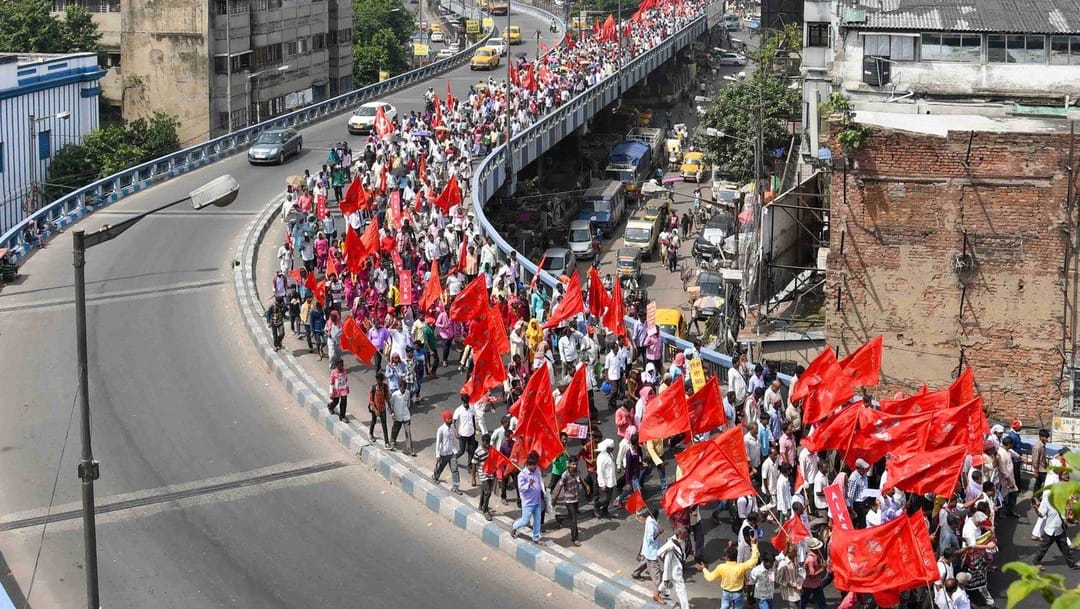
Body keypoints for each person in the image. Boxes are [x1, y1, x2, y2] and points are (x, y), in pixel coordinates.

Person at [1033, 469, 1080, 569]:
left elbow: (1068, 513)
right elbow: (1041, 515)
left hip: (1060, 528)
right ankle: (1036, 562)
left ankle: (1072, 564)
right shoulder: (1047, 502)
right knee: (1043, 548)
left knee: (1065, 548)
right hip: (1050, 530)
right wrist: (1036, 510)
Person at [701, 533, 760, 609]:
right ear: (736, 557)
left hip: (726, 593)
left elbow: (710, 578)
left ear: (727, 557)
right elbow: (754, 560)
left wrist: (703, 569)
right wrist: (754, 544)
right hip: (738, 594)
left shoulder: (721, 567)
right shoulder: (741, 567)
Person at [511, 451, 545, 543]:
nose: (534, 467)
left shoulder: (537, 471)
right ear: (527, 465)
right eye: (532, 466)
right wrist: (528, 484)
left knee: (537, 521)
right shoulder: (522, 475)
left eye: (535, 465)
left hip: (537, 501)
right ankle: (515, 526)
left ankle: (536, 538)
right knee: (525, 521)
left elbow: (539, 482)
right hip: (528, 502)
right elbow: (521, 489)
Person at [551, 460, 584, 546]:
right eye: (573, 464)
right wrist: (555, 499)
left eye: (576, 464)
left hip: (576, 499)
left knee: (572, 516)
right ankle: (574, 538)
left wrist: (586, 486)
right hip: (569, 500)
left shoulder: (577, 472)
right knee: (574, 519)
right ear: (569, 465)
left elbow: (580, 479)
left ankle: (560, 517)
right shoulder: (565, 475)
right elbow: (559, 487)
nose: (575, 466)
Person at [632, 506, 664, 591]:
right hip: (651, 549)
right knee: (655, 568)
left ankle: (636, 573)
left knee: (645, 562)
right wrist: (658, 533)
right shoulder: (651, 525)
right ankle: (659, 586)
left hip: (648, 549)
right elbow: (650, 538)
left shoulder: (650, 519)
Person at [658, 526, 691, 609]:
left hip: (678, 569)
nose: (685, 537)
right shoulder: (670, 545)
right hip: (675, 572)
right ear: (679, 534)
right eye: (684, 535)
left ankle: (656, 593)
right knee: (682, 590)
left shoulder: (681, 541)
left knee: (666, 582)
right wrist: (666, 576)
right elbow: (661, 556)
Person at [433, 410, 463, 495]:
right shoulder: (441, 430)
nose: (451, 420)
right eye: (449, 418)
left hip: (452, 452)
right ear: (445, 420)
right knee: (440, 467)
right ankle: (435, 477)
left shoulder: (452, 426)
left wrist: (457, 435)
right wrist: (437, 454)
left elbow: (454, 433)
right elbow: (438, 442)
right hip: (444, 452)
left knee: (455, 469)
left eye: (451, 418)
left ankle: (456, 487)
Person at [453, 394, 479, 473]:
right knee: (462, 450)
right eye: (464, 402)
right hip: (462, 434)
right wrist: (456, 432)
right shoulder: (459, 410)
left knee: (471, 451)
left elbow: (473, 418)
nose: (466, 404)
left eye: (467, 402)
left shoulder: (472, 408)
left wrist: (474, 429)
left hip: (471, 433)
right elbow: (454, 422)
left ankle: (469, 466)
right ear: (462, 402)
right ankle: (452, 459)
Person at [472, 433, 496, 520]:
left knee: (484, 490)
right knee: (488, 492)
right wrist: (473, 478)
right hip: (483, 474)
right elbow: (474, 464)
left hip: (491, 473)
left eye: (488, 443)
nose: (486, 445)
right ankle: (485, 511)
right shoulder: (478, 451)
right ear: (482, 442)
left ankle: (481, 505)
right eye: (485, 443)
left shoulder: (492, 449)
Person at [389, 379, 415, 455]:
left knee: (408, 432)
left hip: (406, 416)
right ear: (399, 387)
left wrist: (408, 412)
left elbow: (409, 404)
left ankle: (410, 449)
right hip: (397, 416)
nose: (403, 390)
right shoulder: (395, 395)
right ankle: (392, 442)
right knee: (395, 429)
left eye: (405, 388)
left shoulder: (408, 393)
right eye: (402, 388)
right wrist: (392, 414)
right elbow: (390, 405)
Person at [799, 538, 827, 609]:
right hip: (809, 585)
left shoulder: (816, 556)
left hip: (816, 583)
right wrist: (822, 569)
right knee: (804, 602)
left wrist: (822, 565)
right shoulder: (811, 559)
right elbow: (812, 575)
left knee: (821, 602)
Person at [367, 372, 391, 448]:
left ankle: (387, 442)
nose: (378, 381)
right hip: (375, 408)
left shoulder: (385, 387)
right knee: (373, 421)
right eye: (377, 380)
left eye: (379, 380)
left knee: (384, 425)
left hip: (382, 408)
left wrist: (391, 410)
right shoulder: (373, 387)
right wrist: (375, 410)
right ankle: (371, 433)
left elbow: (387, 399)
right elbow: (371, 400)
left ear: (382, 380)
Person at [595, 438, 617, 518]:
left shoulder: (610, 454)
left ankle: (605, 511)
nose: (613, 449)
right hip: (605, 481)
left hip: (610, 480)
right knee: (606, 498)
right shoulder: (601, 457)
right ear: (607, 448)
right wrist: (602, 484)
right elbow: (600, 471)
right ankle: (597, 506)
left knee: (609, 498)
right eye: (612, 448)